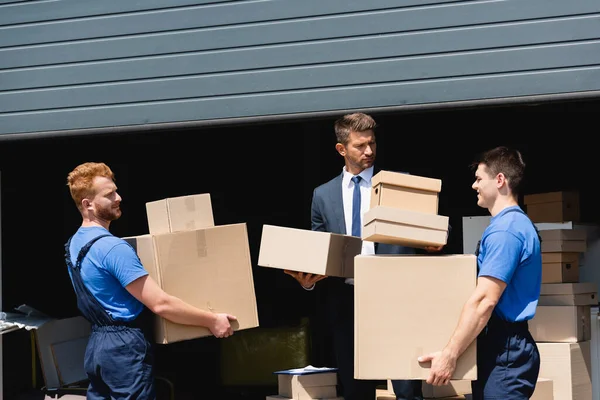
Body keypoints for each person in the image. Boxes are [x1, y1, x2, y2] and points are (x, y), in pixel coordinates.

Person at [285, 112, 444, 400]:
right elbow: (319, 251)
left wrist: (429, 243)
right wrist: (307, 280)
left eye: (372, 143)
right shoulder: (323, 195)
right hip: (347, 302)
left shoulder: (399, 184)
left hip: (396, 298)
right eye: (360, 145)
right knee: (356, 390)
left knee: (408, 388)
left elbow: (424, 233)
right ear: (341, 149)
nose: (369, 151)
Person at [65, 162, 237, 400]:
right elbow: (161, 304)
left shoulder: (74, 244)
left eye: (116, 190)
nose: (119, 197)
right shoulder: (113, 247)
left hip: (97, 348)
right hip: (123, 347)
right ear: (88, 205)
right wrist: (212, 320)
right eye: (109, 195)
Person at [418, 146, 541, 399]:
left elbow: (485, 300)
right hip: (500, 345)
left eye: (478, 179)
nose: (474, 186)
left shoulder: (506, 231)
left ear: (500, 180)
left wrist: (450, 355)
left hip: (505, 349)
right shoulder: (511, 225)